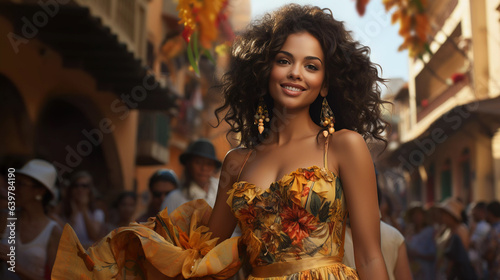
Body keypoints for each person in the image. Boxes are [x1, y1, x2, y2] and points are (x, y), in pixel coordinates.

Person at [52, 4, 390, 279]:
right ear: (264, 70)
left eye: (311, 66)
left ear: (326, 84)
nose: (295, 73)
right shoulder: (236, 162)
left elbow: (371, 257)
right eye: (284, 60)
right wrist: (138, 248)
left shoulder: (344, 146)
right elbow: (204, 255)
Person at [0, 159, 62, 280]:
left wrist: (16, 267)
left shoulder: (53, 232)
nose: (12, 189)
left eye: (20, 184)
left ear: (39, 191)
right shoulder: (5, 218)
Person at [162, 139, 221, 214]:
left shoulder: (222, 192)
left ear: (214, 167)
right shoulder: (174, 199)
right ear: (189, 165)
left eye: (209, 164)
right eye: (198, 162)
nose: (204, 168)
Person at [435, 197, 477, 280]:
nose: (441, 216)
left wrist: (448, 271)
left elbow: (459, 255)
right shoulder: (447, 230)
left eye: (444, 214)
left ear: (451, 215)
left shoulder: (460, 230)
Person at [60, 171, 105, 248]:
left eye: (84, 186)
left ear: (90, 190)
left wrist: (84, 208)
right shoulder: (63, 210)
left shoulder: (97, 213)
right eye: (76, 185)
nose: (80, 189)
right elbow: (65, 237)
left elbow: (93, 236)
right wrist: (74, 213)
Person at [404, 203, 437, 280]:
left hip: (427, 272)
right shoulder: (409, 233)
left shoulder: (430, 232)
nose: (417, 217)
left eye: (419, 214)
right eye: (414, 215)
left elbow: (433, 255)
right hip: (413, 272)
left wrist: (417, 255)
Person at [468, 201, 491, 279]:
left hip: (481, 267)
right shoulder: (478, 225)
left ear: (481, 211)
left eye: (474, 211)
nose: (472, 213)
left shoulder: (483, 227)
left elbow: (471, 243)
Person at [483, 200, 500, 279]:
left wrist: (484, 255)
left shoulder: (493, 231)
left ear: (490, 213)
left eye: (486, 213)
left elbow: (490, 255)